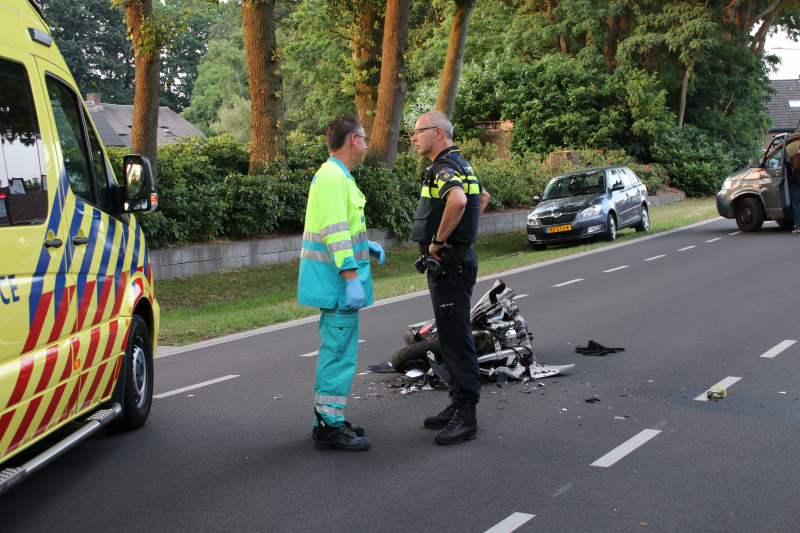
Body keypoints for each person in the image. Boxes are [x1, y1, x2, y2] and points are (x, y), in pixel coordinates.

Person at [298, 114, 386, 451]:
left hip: (336, 284)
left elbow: (342, 231)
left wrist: (366, 246)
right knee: (338, 354)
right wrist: (350, 276)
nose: (366, 143)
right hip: (337, 285)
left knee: (340, 351)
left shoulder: (336, 176)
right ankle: (328, 425)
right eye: (363, 137)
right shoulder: (335, 179)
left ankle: (329, 415)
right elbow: (334, 234)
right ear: (352, 140)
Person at [410, 111, 491, 445]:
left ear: (438, 133)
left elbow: (458, 200)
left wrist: (440, 243)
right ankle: (458, 402)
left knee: (456, 339)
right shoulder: (461, 163)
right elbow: (481, 198)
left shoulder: (443, 167)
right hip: (459, 260)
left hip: (450, 263)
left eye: (418, 131)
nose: (413, 137)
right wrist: (463, 236)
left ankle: (466, 414)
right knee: (451, 334)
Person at [789, 151, 800, 232]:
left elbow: (791, 168)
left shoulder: (794, 156)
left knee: (796, 205)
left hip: (795, 182)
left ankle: (799, 227)